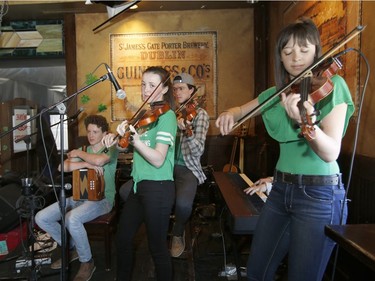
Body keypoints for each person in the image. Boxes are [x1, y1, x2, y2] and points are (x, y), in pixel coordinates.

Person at [215, 18, 354, 281]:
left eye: (304, 49)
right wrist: (228, 113)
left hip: (318, 194)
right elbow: (240, 110)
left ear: (316, 50)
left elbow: (330, 152)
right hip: (280, 190)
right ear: (280, 57)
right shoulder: (275, 94)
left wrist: (305, 122)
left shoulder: (333, 87)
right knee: (257, 272)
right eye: (287, 52)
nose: (296, 58)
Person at [102, 66, 177, 281]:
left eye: (152, 85)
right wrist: (113, 140)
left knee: (157, 248)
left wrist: (134, 140)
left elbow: (158, 158)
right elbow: (126, 146)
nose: (146, 90)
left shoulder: (168, 116)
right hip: (138, 186)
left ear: (164, 89)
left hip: (158, 188)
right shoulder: (145, 116)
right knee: (123, 239)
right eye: (144, 84)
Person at [35, 115, 118, 281]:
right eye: (89, 131)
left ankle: (87, 261)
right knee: (41, 218)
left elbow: (100, 161)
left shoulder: (111, 148)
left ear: (104, 133)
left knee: (71, 218)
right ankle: (71, 247)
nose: (91, 135)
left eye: (95, 131)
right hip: (80, 196)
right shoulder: (86, 150)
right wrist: (85, 164)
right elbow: (62, 166)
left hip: (103, 200)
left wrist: (79, 153)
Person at [170, 73, 210, 258]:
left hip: (188, 168)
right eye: (175, 89)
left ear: (191, 90)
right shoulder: (170, 113)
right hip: (166, 167)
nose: (177, 92)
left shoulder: (200, 115)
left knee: (184, 205)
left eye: (181, 88)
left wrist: (187, 131)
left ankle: (177, 233)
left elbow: (198, 151)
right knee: (129, 191)